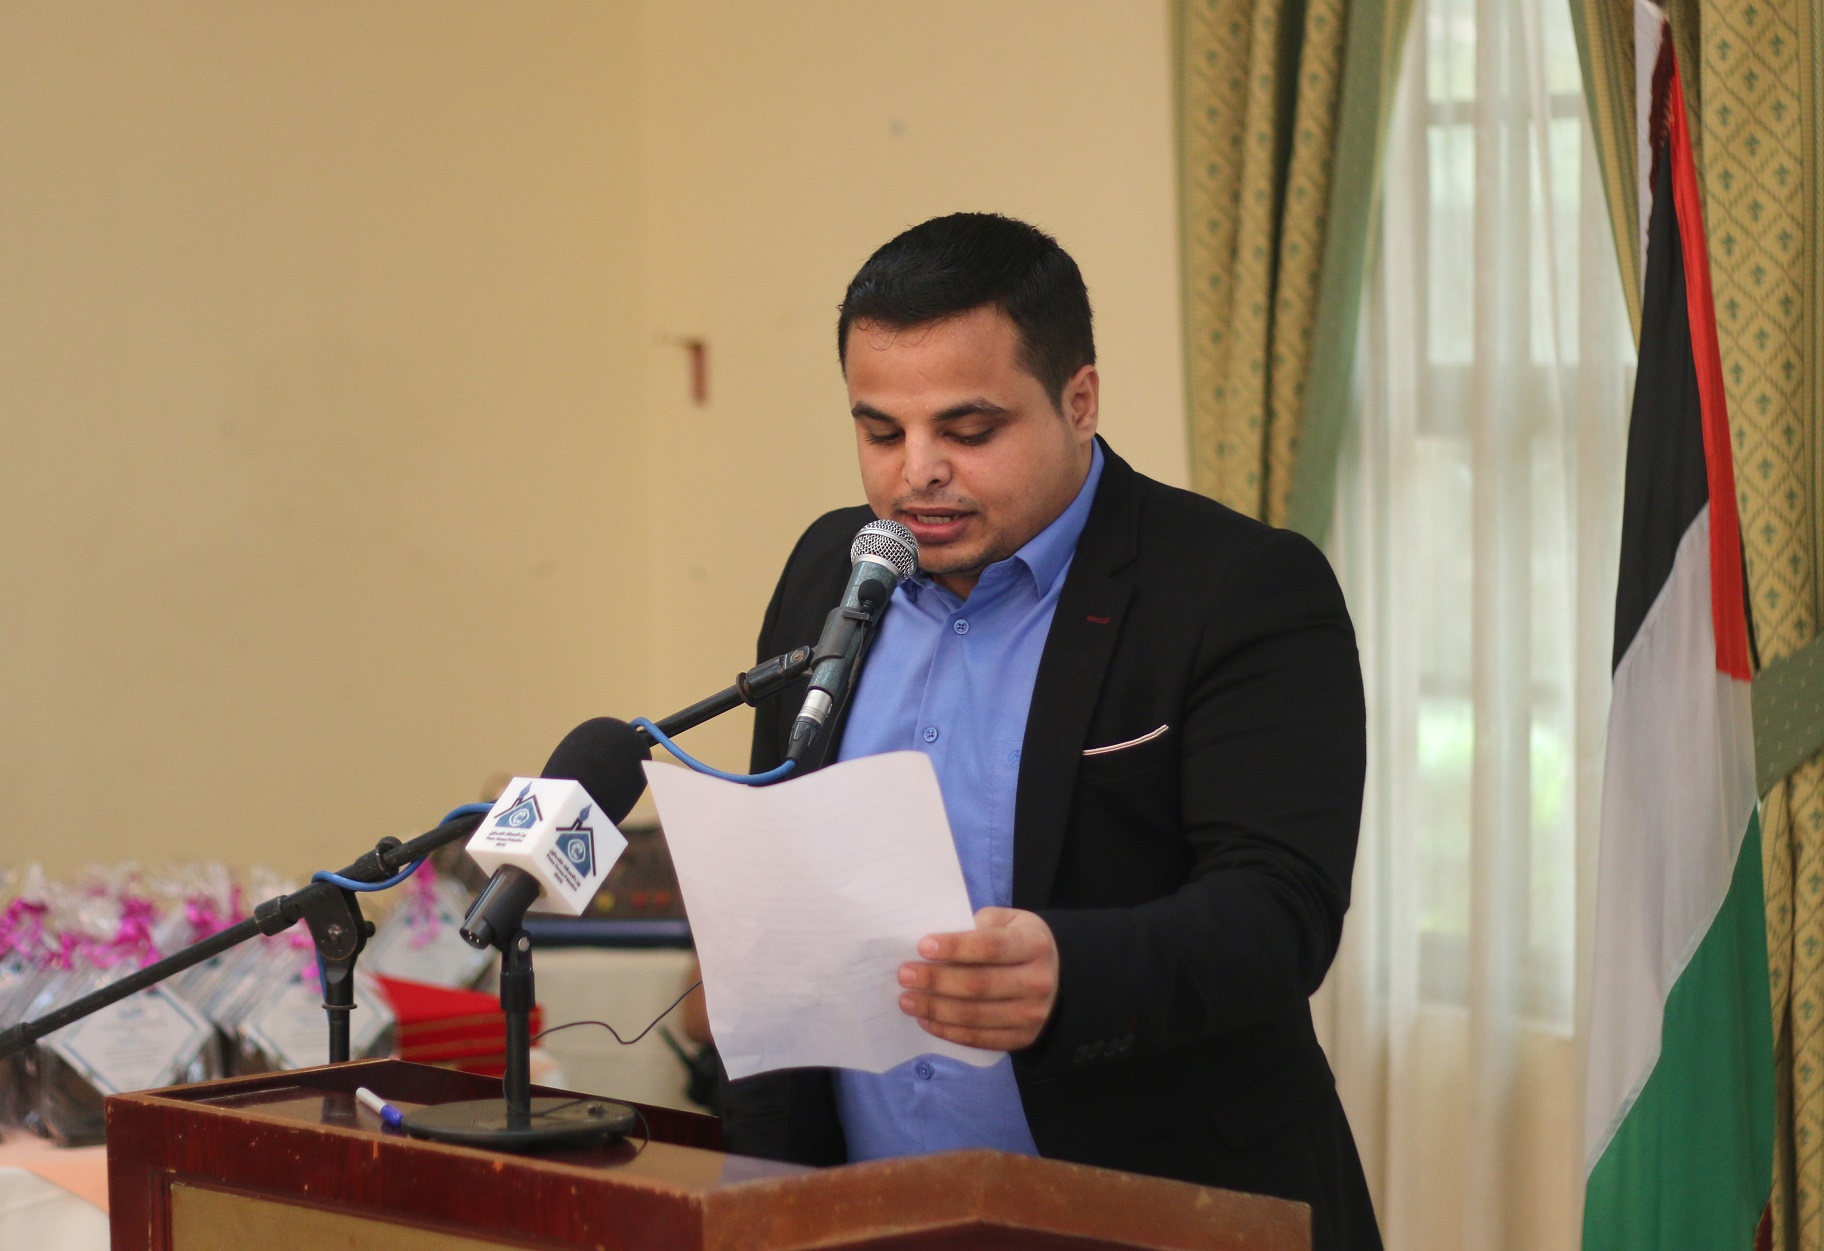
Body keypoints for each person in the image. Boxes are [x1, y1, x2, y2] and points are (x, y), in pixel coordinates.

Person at [726, 212, 1378, 1250]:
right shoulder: (831, 569)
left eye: (968, 431)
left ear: (1080, 401)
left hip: (1157, 1209)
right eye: (881, 432)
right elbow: (786, 907)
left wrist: (1073, 971)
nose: (916, 473)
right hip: (860, 1211)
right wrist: (760, 1199)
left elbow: (1279, 910)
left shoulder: (1238, 587)